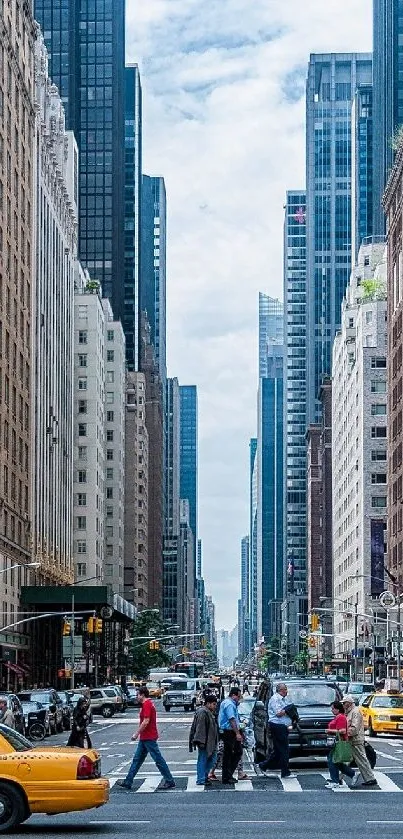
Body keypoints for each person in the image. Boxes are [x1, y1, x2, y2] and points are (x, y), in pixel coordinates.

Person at [117, 686, 175, 790]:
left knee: (158, 759)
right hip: (145, 737)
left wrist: (136, 733)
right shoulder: (146, 704)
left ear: (142, 695)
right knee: (137, 760)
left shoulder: (147, 704)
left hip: (149, 736)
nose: (136, 697)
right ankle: (128, 781)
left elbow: (146, 721)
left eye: (137, 694)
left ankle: (169, 780)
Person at [256, 683, 294, 779]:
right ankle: (285, 772)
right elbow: (278, 713)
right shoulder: (275, 699)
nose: (286, 691)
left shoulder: (283, 699)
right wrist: (287, 709)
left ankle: (263, 765)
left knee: (278, 750)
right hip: (277, 726)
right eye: (285, 689)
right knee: (284, 749)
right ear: (281, 690)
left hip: (282, 726)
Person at [342, 695, 377, 787]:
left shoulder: (355, 712)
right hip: (352, 740)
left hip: (355, 740)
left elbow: (354, 727)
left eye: (344, 703)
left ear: (349, 703)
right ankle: (337, 778)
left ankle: (370, 778)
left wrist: (346, 734)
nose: (343, 705)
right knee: (347, 759)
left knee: (360, 760)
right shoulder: (351, 712)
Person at [325, 700, 356, 789]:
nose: (332, 710)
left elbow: (343, 731)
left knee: (332, 761)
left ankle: (335, 781)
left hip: (338, 742)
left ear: (338, 709)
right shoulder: (338, 717)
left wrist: (329, 730)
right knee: (336, 761)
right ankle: (351, 774)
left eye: (333, 709)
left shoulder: (340, 717)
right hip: (335, 741)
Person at [189, 694, 218, 786]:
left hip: (210, 741)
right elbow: (200, 728)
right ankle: (201, 778)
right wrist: (200, 741)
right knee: (203, 760)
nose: (215, 706)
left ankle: (204, 776)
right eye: (214, 704)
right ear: (208, 703)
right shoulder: (203, 712)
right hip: (204, 741)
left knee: (211, 759)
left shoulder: (207, 712)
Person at [218, 686, 243, 785]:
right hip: (229, 732)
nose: (239, 698)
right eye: (238, 696)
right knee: (230, 754)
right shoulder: (229, 704)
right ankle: (227, 776)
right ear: (233, 695)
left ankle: (228, 775)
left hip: (229, 731)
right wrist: (237, 733)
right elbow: (231, 719)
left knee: (236, 752)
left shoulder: (229, 703)